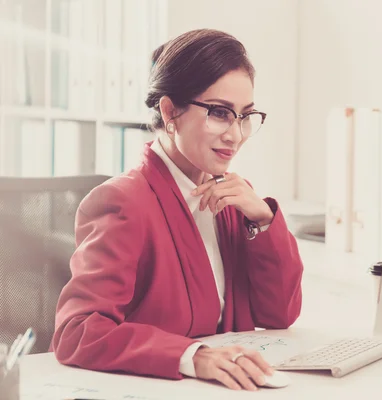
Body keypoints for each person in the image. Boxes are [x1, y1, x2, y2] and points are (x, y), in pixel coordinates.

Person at [51, 29, 304, 392]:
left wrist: (263, 218)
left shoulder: (235, 199)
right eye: (219, 113)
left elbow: (279, 314)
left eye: (245, 116)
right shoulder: (123, 201)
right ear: (170, 111)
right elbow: (78, 332)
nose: (235, 135)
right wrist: (192, 357)